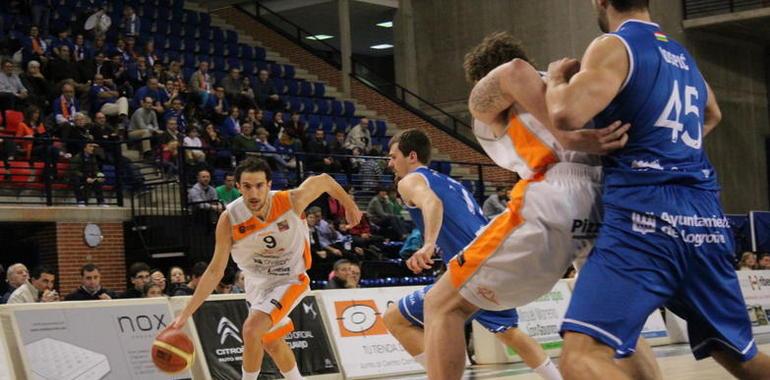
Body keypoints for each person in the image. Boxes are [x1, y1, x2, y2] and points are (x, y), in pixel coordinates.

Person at [542, 1, 770, 378]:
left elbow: (566, 113)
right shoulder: (681, 54)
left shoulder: (615, 45)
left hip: (645, 216)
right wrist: (673, 148)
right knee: (740, 357)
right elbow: (712, 113)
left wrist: (554, 81)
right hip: (705, 219)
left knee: (581, 356)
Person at [418, 31, 658, 380]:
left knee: (441, 305)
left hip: (556, 191)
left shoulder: (497, 94)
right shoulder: (573, 88)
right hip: (608, 199)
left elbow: (514, 71)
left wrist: (566, 137)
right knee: (616, 328)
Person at [382, 129, 560, 379]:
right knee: (508, 331)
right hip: (496, 258)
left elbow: (433, 204)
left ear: (411, 156)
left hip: (472, 266)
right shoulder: (451, 181)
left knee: (395, 319)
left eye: (393, 156)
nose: (390, 163)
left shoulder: (409, 181)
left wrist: (428, 244)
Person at [167, 157, 361, 380]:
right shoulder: (229, 219)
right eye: (247, 186)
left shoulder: (291, 200)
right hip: (256, 283)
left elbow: (324, 180)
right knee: (272, 343)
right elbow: (214, 271)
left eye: (259, 185)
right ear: (238, 187)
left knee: (251, 330)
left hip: (291, 278)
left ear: (269, 185)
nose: (253, 193)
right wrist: (185, 315)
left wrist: (350, 205)